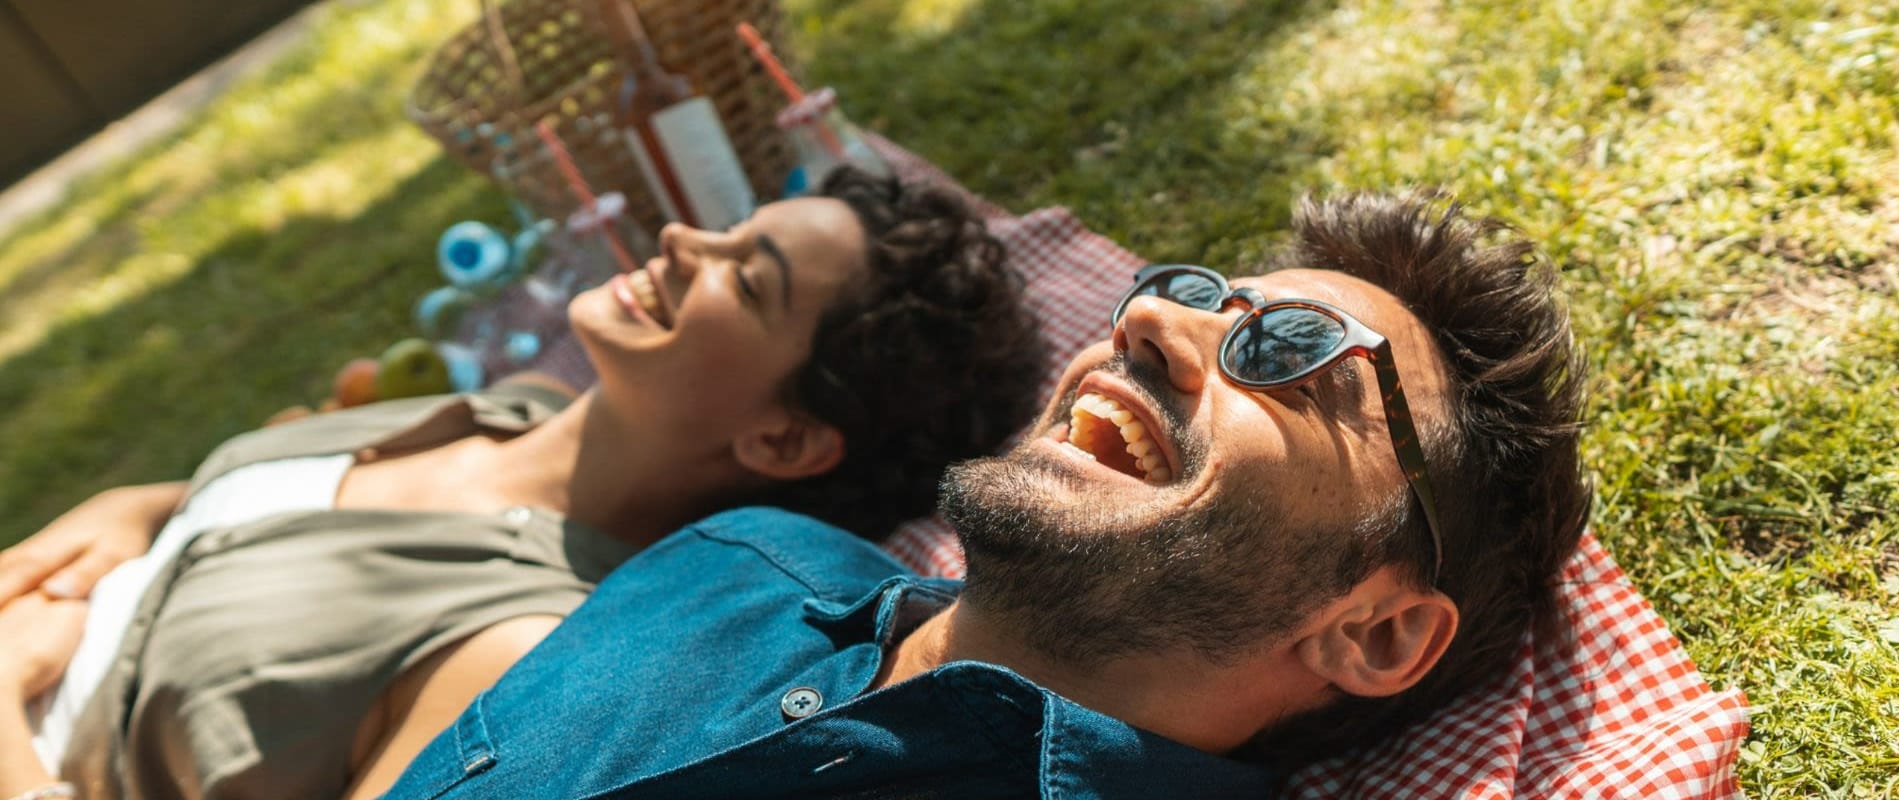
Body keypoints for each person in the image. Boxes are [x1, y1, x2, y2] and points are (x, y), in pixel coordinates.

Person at [359, 189, 1595, 799]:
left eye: (1286, 353)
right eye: (1192, 290)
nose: (1149, 317)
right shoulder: (736, 555)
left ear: (1372, 629)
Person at [0, 167, 1045, 800]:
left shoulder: (522, 646)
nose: (681, 239)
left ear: (781, 437)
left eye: (746, 275)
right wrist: (133, 505)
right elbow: (241, 504)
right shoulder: (513, 403)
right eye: (730, 227)